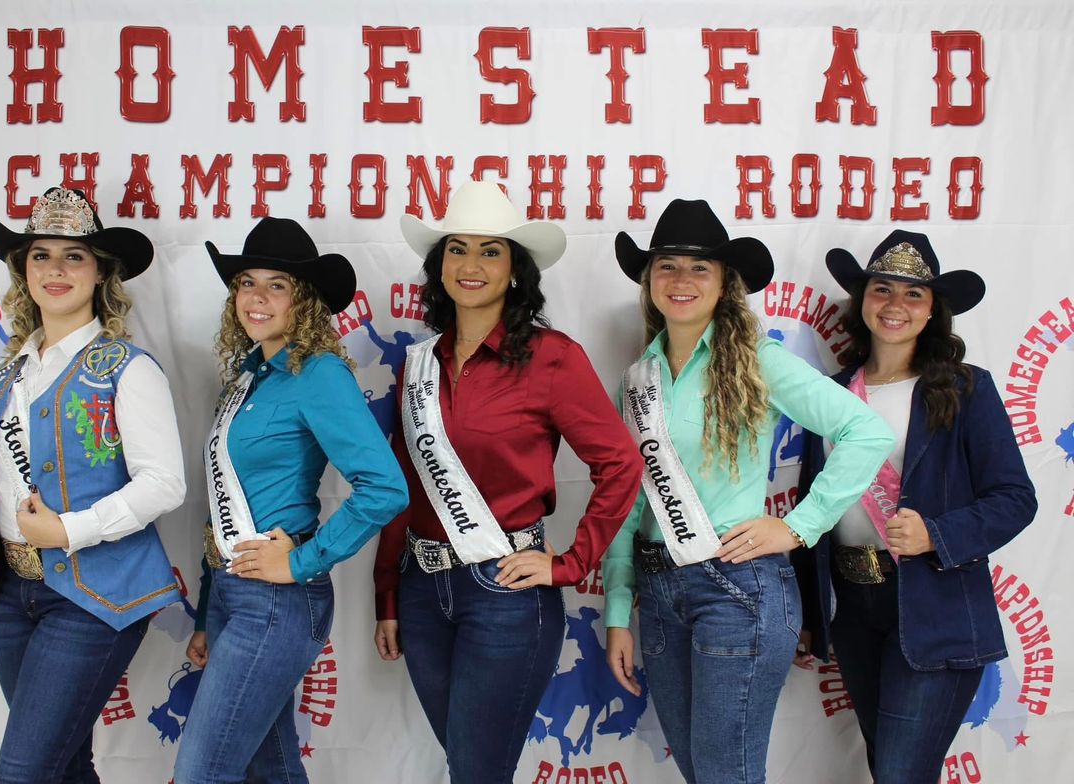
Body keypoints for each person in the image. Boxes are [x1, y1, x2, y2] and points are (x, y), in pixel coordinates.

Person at [601, 199, 894, 784]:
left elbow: (867, 431)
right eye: (668, 265)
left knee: (724, 774)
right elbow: (628, 500)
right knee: (703, 771)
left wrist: (797, 526)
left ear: (724, 283)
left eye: (699, 268)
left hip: (735, 588)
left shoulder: (757, 360)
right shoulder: (638, 380)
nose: (681, 280)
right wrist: (616, 609)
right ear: (649, 279)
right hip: (659, 594)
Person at [372, 180, 643, 784]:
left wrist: (571, 563)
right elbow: (403, 483)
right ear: (437, 265)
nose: (470, 265)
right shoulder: (419, 362)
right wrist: (387, 593)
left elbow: (622, 464)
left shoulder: (552, 358)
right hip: (421, 593)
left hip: (505, 592)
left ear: (516, 270)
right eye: (456, 249)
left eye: (490, 251)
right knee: (474, 767)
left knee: (475, 771)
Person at [0, 186, 186, 782]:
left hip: (93, 597)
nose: (55, 269)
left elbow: (164, 483)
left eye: (74, 256)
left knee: (24, 773)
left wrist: (68, 529)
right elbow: (5, 471)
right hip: (13, 593)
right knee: (64, 767)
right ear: (21, 270)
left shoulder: (127, 369)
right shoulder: (8, 369)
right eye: (40, 255)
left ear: (101, 273)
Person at [794, 230, 1037, 782]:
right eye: (882, 290)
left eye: (914, 295)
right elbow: (816, 504)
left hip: (934, 606)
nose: (895, 306)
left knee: (901, 774)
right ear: (863, 302)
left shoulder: (966, 388)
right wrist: (811, 610)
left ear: (933, 313)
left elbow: (1016, 499)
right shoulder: (830, 394)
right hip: (853, 609)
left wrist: (937, 534)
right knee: (892, 770)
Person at [173, 217, 408, 784]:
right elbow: (224, 500)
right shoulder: (248, 379)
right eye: (247, 282)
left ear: (302, 300)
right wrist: (209, 612)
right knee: (271, 770)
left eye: (276, 284)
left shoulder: (319, 373)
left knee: (202, 773)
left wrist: (301, 561)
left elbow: (386, 487)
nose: (256, 297)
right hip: (236, 592)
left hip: (277, 599)